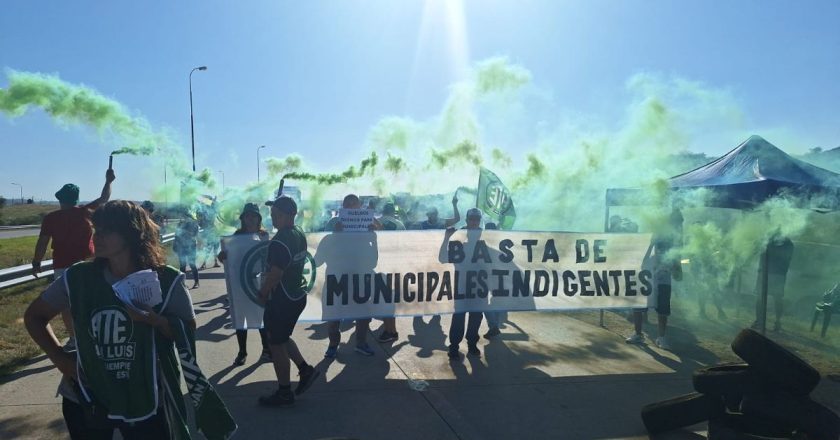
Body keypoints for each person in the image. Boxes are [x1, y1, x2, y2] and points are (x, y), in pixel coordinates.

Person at [23, 200, 202, 439]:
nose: (97, 236)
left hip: (146, 395)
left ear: (132, 234)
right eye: (96, 230)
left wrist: (155, 321)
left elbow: (187, 332)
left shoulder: (167, 281)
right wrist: (60, 358)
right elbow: (34, 316)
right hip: (85, 395)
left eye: (107, 230)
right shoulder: (78, 277)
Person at [31, 168, 116, 352]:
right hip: (88, 263)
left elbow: (42, 242)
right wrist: (109, 181)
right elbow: (104, 198)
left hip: (62, 266)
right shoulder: (85, 212)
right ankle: (95, 333)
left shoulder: (50, 218)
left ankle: (74, 339)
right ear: (76, 198)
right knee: (91, 298)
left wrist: (36, 262)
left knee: (66, 304)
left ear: (60, 198)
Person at [258, 195, 320, 407]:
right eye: (272, 214)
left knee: (275, 344)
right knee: (282, 338)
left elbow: (276, 272)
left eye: (277, 214)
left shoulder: (280, 240)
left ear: (289, 215)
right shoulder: (298, 232)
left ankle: (284, 392)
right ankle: (305, 370)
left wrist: (264, 291)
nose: (272, 217)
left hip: (282, 298)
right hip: (296, 295)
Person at [319, 194, 377, 357]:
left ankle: (361, 343)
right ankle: (333, 346)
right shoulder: (333, 226)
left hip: (358, 280)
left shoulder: (366, 229)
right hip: (336, 280)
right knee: (333, 319)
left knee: (363, 315)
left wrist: (374, 240)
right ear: (343, 208)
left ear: (360, 207)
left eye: (354, 204)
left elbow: (373, 262)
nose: (351, 207)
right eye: (348, 204)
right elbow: (319, 258)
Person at [218, 203, 272, 366]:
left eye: (254, 216)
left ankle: (266, 350)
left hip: (257, 284)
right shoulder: (236, 236)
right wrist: (222, 256)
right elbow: (229, 258)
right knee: (240, 319)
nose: (250, 219)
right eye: (247, 216)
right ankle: (242, 352)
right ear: (243, 218)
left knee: (260, 318)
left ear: (258, 218)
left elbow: (267, 258)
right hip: (239, 284)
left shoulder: (264, 236)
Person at [626, 206, 683, 350]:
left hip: (664, 278)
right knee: (639, 305)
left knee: (663, 309)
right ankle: (638, 334)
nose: (679, 224)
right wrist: (647, 252)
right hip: (647, 275)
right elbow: (644, 253)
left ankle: (662, 338)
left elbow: (677, 258)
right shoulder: (654, 235)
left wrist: (678, 269)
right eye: (677, 221)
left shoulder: (676, 239)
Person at [443, 208, 486, 360]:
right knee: (459, 317)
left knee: (476, 318)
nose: (474, 222)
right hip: (462, 285)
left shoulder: (486, 237)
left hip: (480, 287)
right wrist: (446, 238)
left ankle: (472, 343)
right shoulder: (458, 237)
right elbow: (443, 258)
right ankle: (454, 346)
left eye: (477, 219)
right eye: (471, 219)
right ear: (467, 220)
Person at [376, 202, 406, 343]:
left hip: (381, 264)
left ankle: (391, 331)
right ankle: (391, 329)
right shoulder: (399, 224)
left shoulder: (377, 222)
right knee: (389, 299)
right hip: (396, 263)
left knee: (385, 299)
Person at [753, 233, 794, 332]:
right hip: (771, 274)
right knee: (764, 298)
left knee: (775, 299)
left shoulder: (785, 243)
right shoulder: (787, 243)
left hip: (775, 274)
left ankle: (775, 322)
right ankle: (763, 321)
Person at [482, 221, 508, 338]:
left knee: (484, 303)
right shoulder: (501, 242)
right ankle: (494, 326)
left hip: (488, 276)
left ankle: (493, 326)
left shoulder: (484, 241)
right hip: (498, 276)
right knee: (494, 301)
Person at [173, 211, 200, 289]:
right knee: (182, 266)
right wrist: (175, 245)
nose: (184, 218)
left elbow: (194, 235)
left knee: (192, 264)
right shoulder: (180, 224)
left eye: (186, 217)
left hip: (191, 246)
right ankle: (183, 283)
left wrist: (185, 230)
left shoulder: (194, 224)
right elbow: (176, 235)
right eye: (183, 217)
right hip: (181, 247)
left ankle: (196, 282)